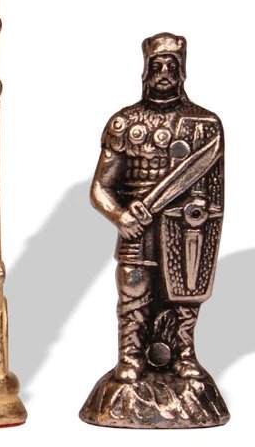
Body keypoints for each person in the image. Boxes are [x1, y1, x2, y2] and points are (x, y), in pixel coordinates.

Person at [90, 33, 224, 383]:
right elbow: (101, 188)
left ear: (182, 72)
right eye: (157, 66)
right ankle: (130, 356)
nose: (164, 73)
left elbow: (212, 189)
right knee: (133, 293)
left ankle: (183, 355)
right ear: (145, 71)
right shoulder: (125, 123)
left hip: (184, 228)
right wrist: (120, 215)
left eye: (171, 67)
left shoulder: (204, 126)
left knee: (185, 295)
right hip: (138, 229)